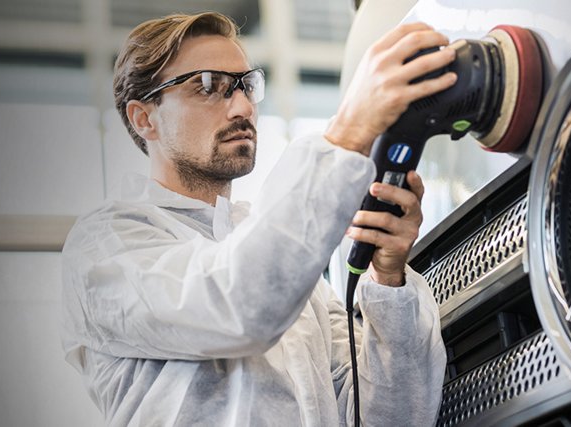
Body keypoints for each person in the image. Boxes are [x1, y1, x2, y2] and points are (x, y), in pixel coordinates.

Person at [61, 11, 457, 426]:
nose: (243, 107)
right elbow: (237, 303)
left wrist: (388, 280)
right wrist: (348, 131)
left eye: (246, 85)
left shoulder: (296, 280)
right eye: (209, 86)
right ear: (145, 118)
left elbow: (391, 419)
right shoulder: (106, 246)